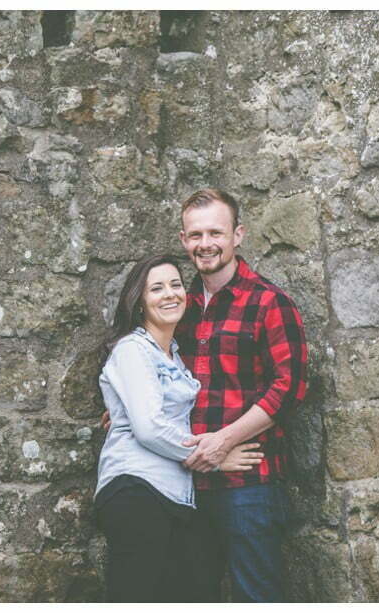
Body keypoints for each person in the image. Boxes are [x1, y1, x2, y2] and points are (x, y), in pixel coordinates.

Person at [101, 189, 308, 602]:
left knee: (255, 596)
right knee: (191, 595)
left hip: (247, 482)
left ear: (238, 235)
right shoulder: (180, 305)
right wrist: (124, 409)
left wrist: (223, 442)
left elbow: (289, 388)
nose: (205, 243)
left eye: (216, 232)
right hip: (186, 485)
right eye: (196, 235)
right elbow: (153, 379)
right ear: (184, 240)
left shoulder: (269, 302)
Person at [95, 253, 265, 603]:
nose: (170, 294)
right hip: (136, 488)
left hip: (175, 494)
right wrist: (214, 456)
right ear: (139, 302)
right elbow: (149, 428)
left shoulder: (174, 355)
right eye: (156, 288)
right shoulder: (132, 350)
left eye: (175, 285)